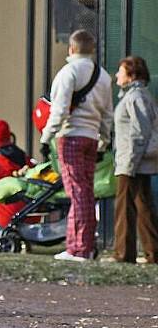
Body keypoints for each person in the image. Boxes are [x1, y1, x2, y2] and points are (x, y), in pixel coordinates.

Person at [40, 29, 113, 262]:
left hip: (70, 135)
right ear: (92, 50)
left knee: (76, 192)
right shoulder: (102, 76)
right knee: (86, 191)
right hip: (91, 137)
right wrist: (104, 139)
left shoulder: (67, 73)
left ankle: (79, 248)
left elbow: (59, 110)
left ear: (71, 49)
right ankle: (83, 244)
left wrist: (45, 137)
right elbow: (107, 114)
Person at [111, 56, 158, 264]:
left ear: (132, 75)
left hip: (131, 162)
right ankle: (152, 252)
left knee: (124, 208)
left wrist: (129, 163)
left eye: (120, 72)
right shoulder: (140, 96)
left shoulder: (135, 97)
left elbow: (140, 132)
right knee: (143, 206)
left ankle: (123, 254)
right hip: (139, 162)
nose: (117, 76)